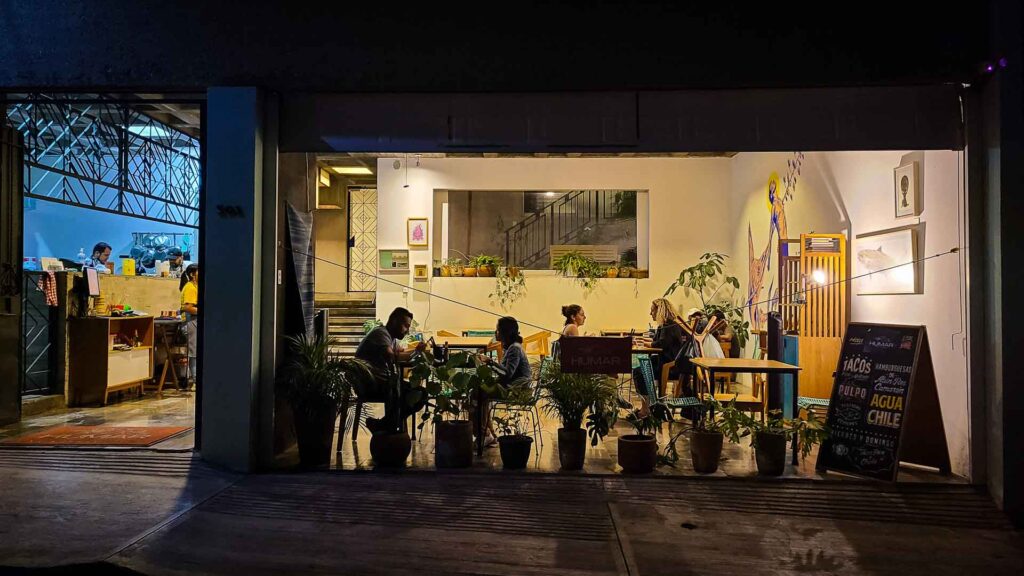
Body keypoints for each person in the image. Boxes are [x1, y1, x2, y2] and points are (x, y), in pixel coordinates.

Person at [354, 307, 427, 432]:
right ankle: (388, 425)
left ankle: (386, 424)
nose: (407, 331)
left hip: (383, 383)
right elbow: (392, 356)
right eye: (405, 326)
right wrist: (416, 352)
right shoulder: (380, 334)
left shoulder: (390, 338)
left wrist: (417, 351)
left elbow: (400, 353)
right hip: (371, 385)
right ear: (394, 321)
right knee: (418, 394)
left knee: (418, 393)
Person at [475, 316, 531, 446]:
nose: (496, 332)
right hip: (511, 387)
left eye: (498, 330)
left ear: (505, 332)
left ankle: (484, 434)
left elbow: (506, 373)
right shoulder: (511, 347)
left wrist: (489, 362)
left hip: (516, 390)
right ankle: (487, 434)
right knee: (480, 393)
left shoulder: (515, 349)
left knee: (478, 394)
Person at [649, 298, 688, 388]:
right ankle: (650, 398)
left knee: (639, 372)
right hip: (669, 363)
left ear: (659, 311)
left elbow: (661, 344)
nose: (650, 313)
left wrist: (646, 344)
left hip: (671, 367)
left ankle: (649, 400)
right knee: (645, 366)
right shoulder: (668, 325)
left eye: (652, 310)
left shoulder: (668, 326)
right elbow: (658, 341)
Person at [179, 264, 199, 390]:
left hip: (196, 321)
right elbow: (188, 307)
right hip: (190, 322)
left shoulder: (196, 287)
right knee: (194, 352)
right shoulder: (190, 288)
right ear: (192, 274)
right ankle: (196, 380)